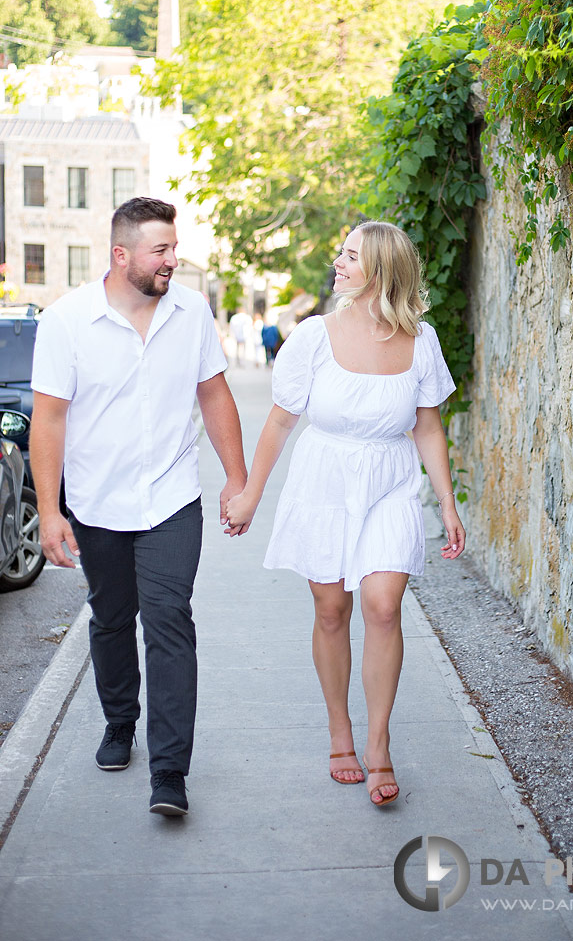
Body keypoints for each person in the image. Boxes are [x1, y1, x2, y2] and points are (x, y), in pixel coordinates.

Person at [225, 221, 466, 806]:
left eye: (350, 257)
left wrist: (450, 504)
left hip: (389, 481)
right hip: (324, 481)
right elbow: (282, 420)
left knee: (383, 607)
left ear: (380, 273)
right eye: (342, 253)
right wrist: (251, 493)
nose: (338, 263)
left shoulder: (421, 341)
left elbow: (428, 427)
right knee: (332, 610)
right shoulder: (314, 337)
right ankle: (341, 734)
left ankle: (379, 743)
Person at [30, 197, 247, 818]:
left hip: (173, 498)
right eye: (161, 250)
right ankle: (120, 720)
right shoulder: (68, 321)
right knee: (110, 618)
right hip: (97, 502)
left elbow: (214, 394)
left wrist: (238, 480)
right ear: (120, 255)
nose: (173, 261)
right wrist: (50, 511)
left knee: (170, 621)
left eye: (174, 248)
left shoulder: (191, 311)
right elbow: (48, 419)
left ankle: (170, 773)